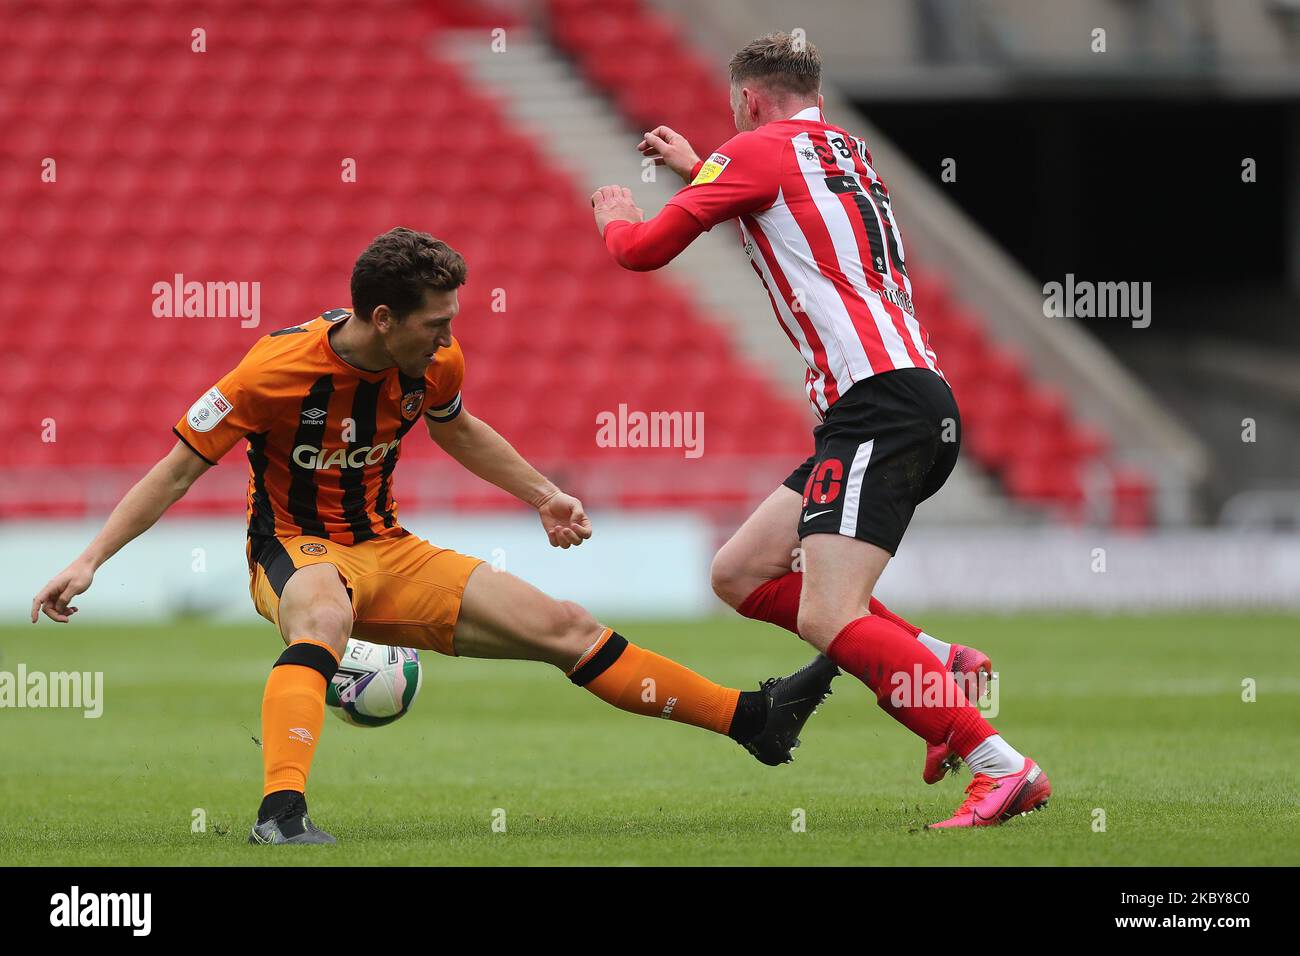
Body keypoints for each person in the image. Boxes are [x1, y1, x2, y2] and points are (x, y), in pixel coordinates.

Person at [31, 227, 838, 844]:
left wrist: (545, 495)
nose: (448, 337)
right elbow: (175, 469)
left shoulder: (434, 363)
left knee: (567, 627)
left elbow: (455, 428)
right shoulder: (271, 372)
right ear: (382, 319)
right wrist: (89, 559)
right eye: (434, 323)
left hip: (390, 548)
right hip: (297, 550)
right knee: (320, 616)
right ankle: (280, 813)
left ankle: (752, 722)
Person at [589, 34, 1050, 827]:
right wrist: (703, 167)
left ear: (751, 100)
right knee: (740, 572)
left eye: (738, 110)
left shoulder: (753, 149)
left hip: (878, 406)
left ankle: (999, 765)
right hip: (904, 399)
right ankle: (939, 661)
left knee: (827, 616)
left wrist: (614, 215)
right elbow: (783, 210)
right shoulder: (849, 152)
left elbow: (641, 253)